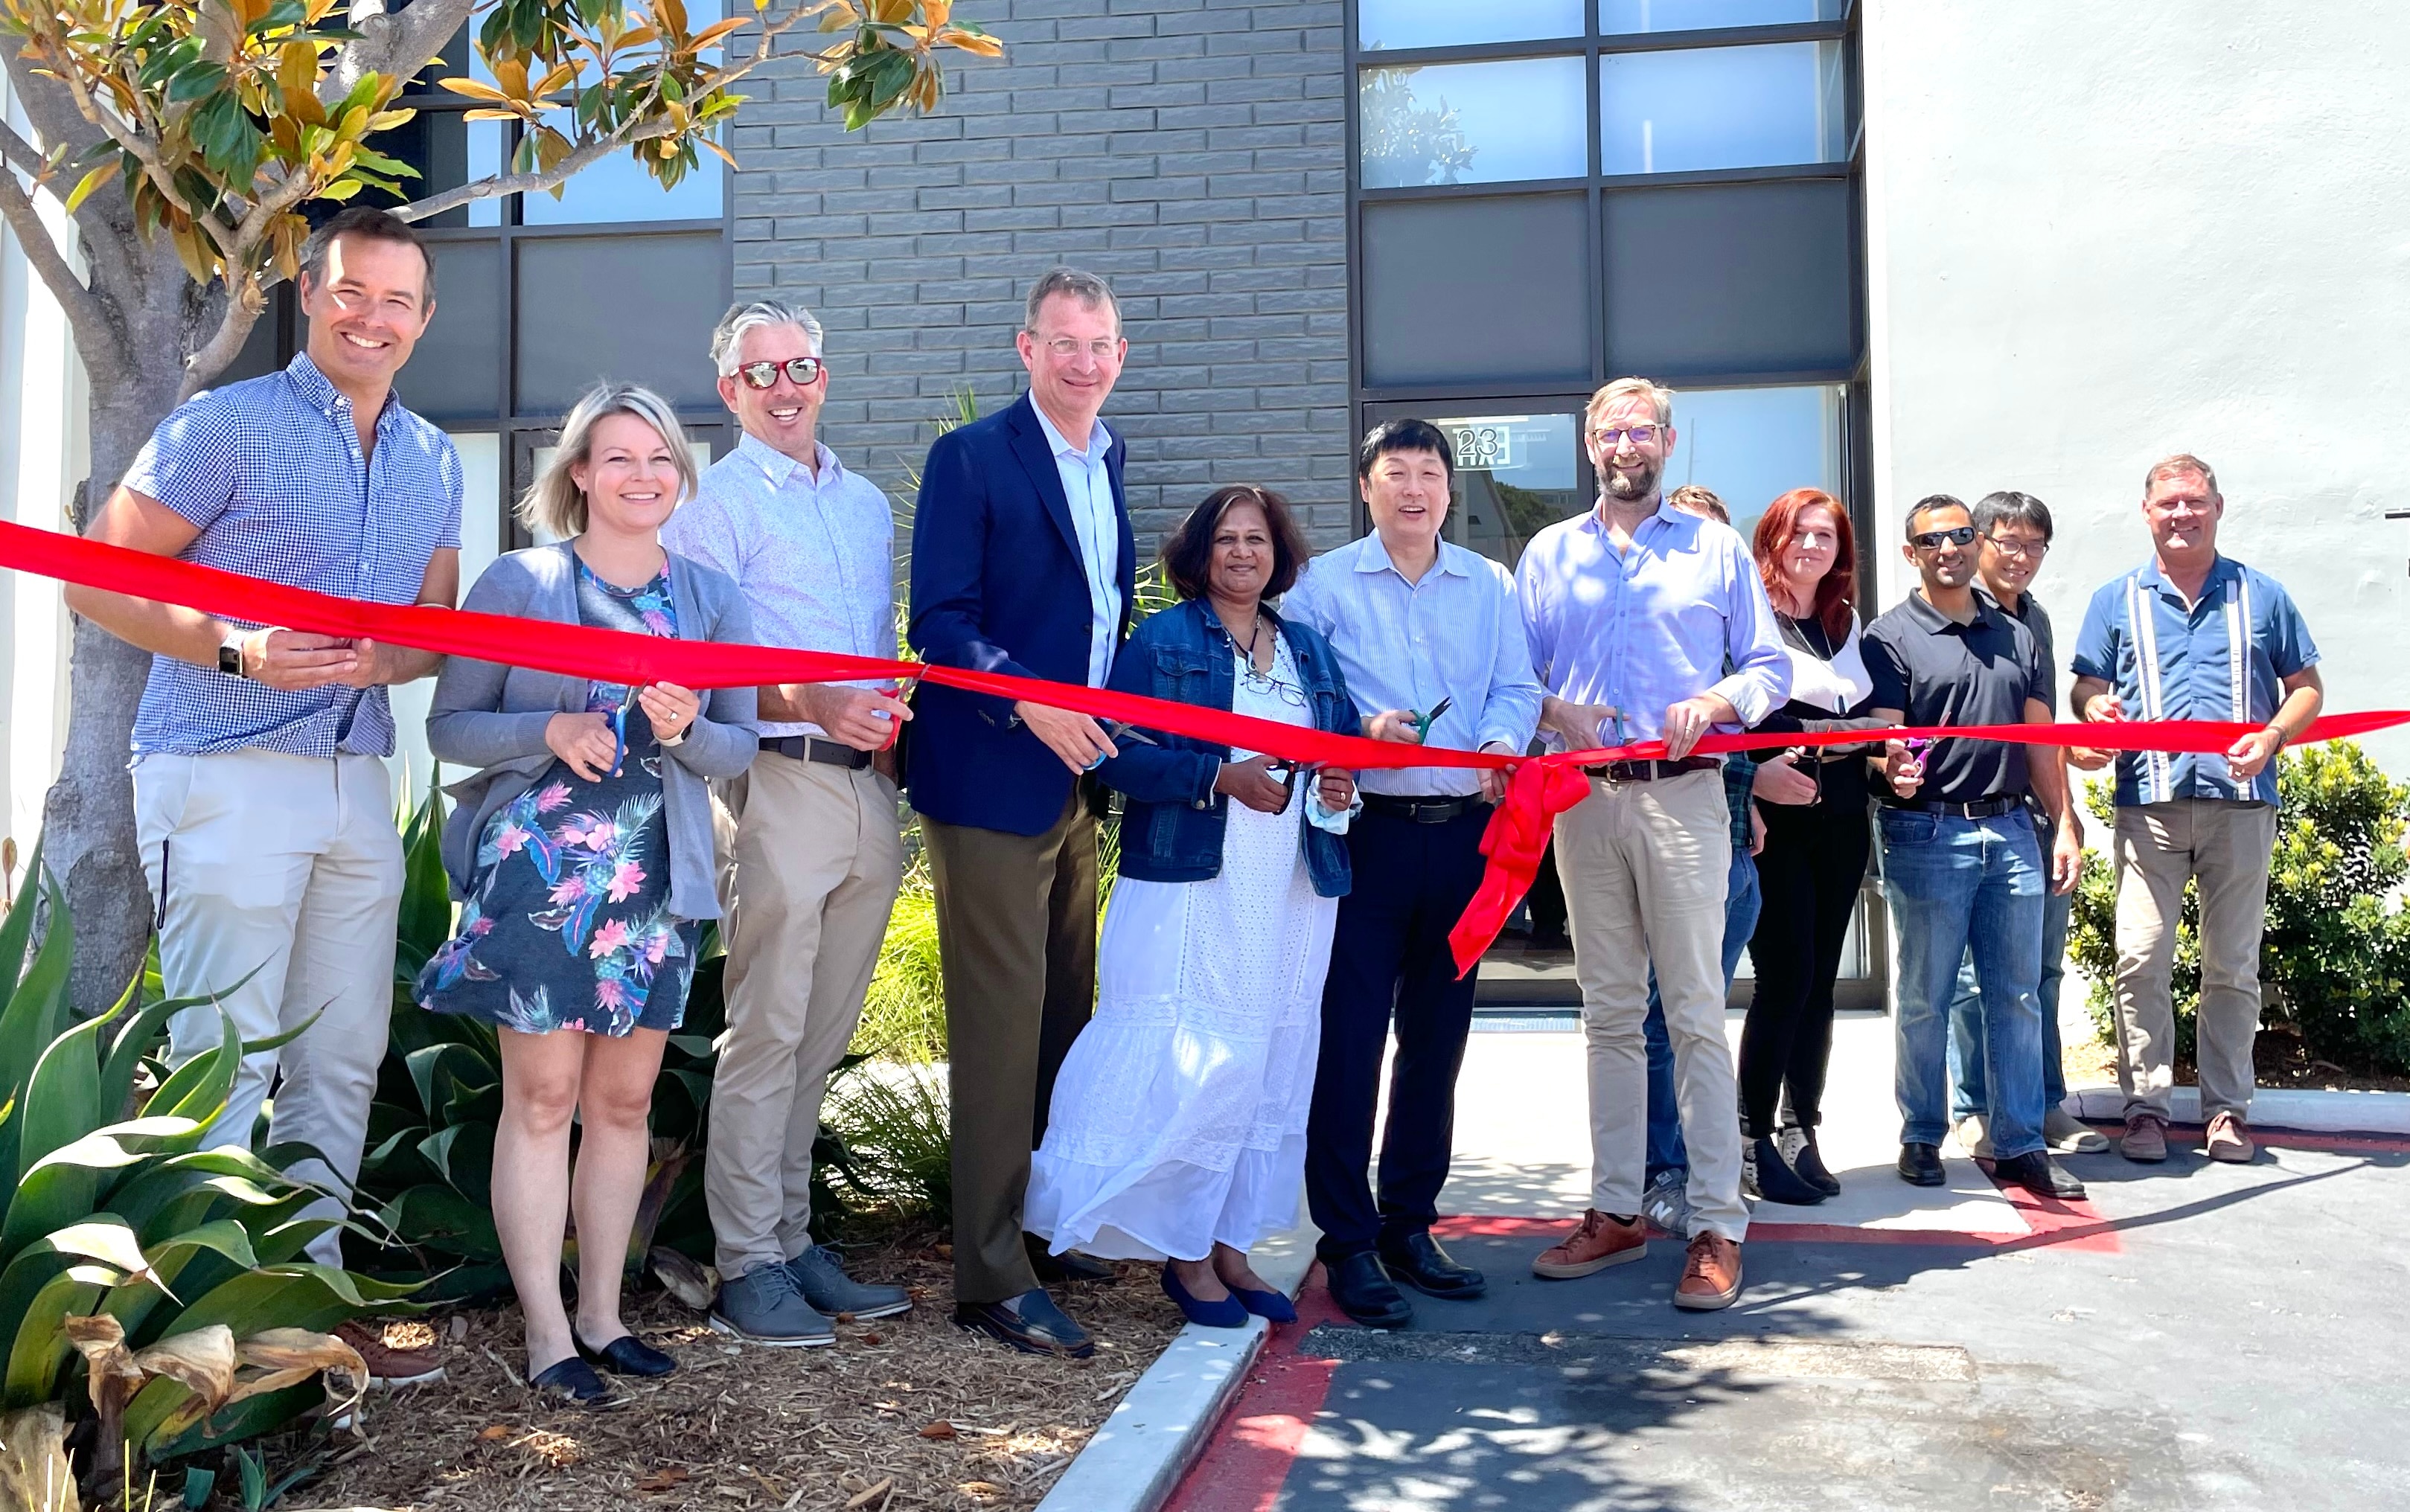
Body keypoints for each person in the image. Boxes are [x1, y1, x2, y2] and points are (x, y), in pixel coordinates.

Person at [64, 206, 459, 1384]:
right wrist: (238, 647)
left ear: (425, 319)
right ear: (307, 292)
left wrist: (390, 659)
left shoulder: (432, 456)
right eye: (350, 292)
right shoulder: (222, 425)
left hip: (355, 780)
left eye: (396, 301)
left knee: (340, 1061)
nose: (371, 317)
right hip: (223, 771)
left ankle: (301, 1312)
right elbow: (93, 575)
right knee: (221, 1057)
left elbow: (429, 629)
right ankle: (200, 1331)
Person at [417, 384, 755, 1403]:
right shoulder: (520, 581)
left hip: (657, 885)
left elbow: (737, 743)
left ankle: (605, 1319)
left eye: (658, 458)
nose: (641, 475)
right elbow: (450, 727)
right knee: (544, 1101)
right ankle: (546, 1334)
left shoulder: (709, 597)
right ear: (578, 475)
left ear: (680, 475)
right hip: (539, 882)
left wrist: (685, 727)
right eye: (617, 458)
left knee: (622, 1104)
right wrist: (550, 731)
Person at [1026, 487, 1359, 1327]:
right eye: (1226, 540)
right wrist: (1217, 776)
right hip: (1195, 877)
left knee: (1272, 1065)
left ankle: (1235, 1246)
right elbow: (1114, 754)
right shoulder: (1163, 641)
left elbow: (1341, 750)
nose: (1243, 553)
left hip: (1290, 883)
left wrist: (1339, 783)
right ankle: (1185, 1257)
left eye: (1257, 539)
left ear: (1279, 553)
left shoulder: (1309, 651)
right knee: (1204, 1061)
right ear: (1199, 554)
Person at [659, 301, 914, 1345]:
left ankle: (794, 1241)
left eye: (800, 365)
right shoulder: (709, 506)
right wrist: (810, 701)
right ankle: (744, 1263)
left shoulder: (863, 506)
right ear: (728, 392)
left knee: (822, 1032)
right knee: (765, 1031)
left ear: (824, 373)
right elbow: (699, 671)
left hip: (867, 787)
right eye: (759, 373)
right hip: (774, 782)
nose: (784, 386)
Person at [1515, 377, 1790, 1313]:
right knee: (1608, 1016)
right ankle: (1617, 1207)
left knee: (1695, 1012)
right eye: (1609, 430)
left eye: (1642, 429)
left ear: (1668, 444)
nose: (1625, 443)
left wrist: (1716, 703)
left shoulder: (1715, 549)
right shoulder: (1550, 553)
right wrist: (1555, 709)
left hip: (1684, 802)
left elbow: (1768, 665)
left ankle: (1717, 1221)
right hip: (1583, 805)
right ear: (1590, 445)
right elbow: (1515, 678)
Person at [907, 268, 1137, 1357]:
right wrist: (1030, 704)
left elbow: (1094, 617)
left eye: (1100, 345)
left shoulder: (1109, 458)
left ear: (1118, 356)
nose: (1083, 362)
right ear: (1026, 348)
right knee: (1001, 1034)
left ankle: (1038, 1227)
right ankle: (990, 1274)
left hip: (1075, 780)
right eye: (1064, 343)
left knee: (1062, 1021)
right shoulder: (974, 458)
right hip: (994, 774)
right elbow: (939, 623)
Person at [1282, 421, 1541, 1329]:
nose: (1414, 489)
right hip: (1367, 837)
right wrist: (1360, 728)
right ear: (1366, 487)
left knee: (1438, 1040)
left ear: (1447, 488)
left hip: (1465, 834)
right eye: (1396, 473)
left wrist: (1505, 743)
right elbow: (1303, 692)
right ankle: (1346, 1241)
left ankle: (1410, 1225)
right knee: (1348, 1043)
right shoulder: (1320, 585)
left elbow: (1517, 684)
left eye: (1429, 474)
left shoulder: (1488, 583)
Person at [2068, 455, 2323, 1165]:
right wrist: (2095, 710)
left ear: (2218, 506)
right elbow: (2086, 690)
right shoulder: (2114, 599)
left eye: (2195, 502)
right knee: (2140, 958)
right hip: (2146, 806)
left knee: (2232, 966)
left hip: (2241, 807)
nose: (2182, 514)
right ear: (2146, 512)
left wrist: (2272, 736)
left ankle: (2225, 1113)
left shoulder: (2261, 594)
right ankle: (2145, 1111)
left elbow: (2307, 689)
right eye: (2168, 503)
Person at [1861, 495, 2085, 1201]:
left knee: (2016, 994)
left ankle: (2020, 1144)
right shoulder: (1889, 636)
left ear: (1975, 540)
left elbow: (2043, 740)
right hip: (1928, 833)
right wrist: (1888, 765)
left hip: (2014, 830)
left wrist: (2066, 824)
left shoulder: (2017, 634)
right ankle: (1922, 1133)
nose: (1950, 548)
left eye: (1961, 534)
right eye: (1933, 540)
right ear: (1913, 554)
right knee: (1927, 994)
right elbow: (1883, 739)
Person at [1732, 487, 1883, 1207]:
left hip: (1844, 814)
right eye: (1800, 533)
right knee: (1785, 976)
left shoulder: (1846, 622)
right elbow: (1728, 715)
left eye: (1826, 536)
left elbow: (1868, 722)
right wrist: (1754, 783)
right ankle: (1751, 1138)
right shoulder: (1748, 616)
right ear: (1773, 538)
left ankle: (1802, 1129)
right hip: (1778, 818)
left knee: (1821, 982)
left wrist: (1889, 761)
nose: (1813, 547)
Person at [1945, 493, 2107, 1159]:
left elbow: (2036, 726)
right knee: (1968, 977)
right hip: (1961, 818)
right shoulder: (1954, 611)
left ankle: (2042, 1103)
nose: (2019, 557)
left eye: (2034, 545)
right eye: (2006, 542)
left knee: (2039, 972)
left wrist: (2071, 778)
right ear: (1978, 541)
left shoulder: (2032, 618)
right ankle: (1972, 1106)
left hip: (2034, 814)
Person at [1637, 485, 1774, 1234]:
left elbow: (1757, 720)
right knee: (1659, 1020)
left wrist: (1752, 789)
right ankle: (1665, 1167)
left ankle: (1708, 1163)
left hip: (1731, 860)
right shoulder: (1656, 650)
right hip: (1659, 844)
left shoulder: (1735, 657)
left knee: (1700, 1020)